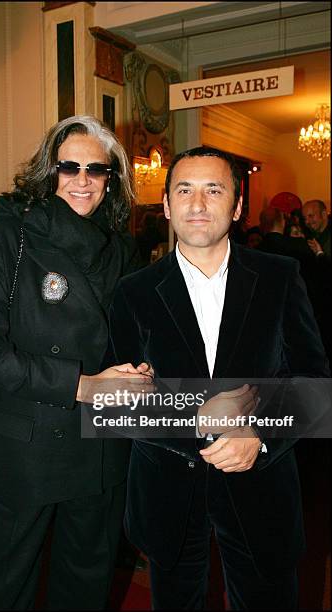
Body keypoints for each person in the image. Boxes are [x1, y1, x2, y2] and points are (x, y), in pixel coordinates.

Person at [109, 146, 329, 610]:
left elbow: (315, 384)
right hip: (168, 491)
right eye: (184, 190)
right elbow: (118, 402)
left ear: (237, 205)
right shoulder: (133, 292)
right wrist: (196, 420)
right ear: (166, 205)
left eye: (214, 190)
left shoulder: (280, 277)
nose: (197, 204)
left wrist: (260, 433)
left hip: (262, 486)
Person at [0, 115, 152, 610]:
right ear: (49, 170)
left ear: (112, 179)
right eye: (70, 167)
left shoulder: (121, 246)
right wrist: (80, 386)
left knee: (87, 580)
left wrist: (139, 367)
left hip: (102, 442)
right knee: (7, 585)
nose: (83, 180)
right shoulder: (2, 232)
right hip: (28, 444)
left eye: (97, 169)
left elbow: (129, 332)